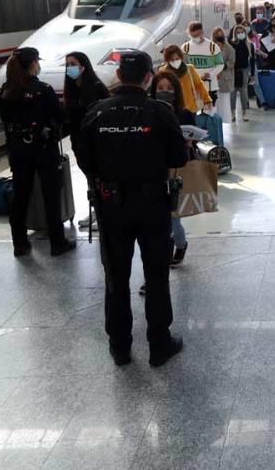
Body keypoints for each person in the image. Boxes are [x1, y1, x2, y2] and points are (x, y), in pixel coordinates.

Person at [78, 50, 186, 367]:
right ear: (149, 77)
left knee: (116, 277)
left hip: (111, 206)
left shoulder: (97, 113)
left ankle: (120, 346)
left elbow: (84, 159)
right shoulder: (160, 112)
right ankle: (159, 344)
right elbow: (178, 159)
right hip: (153, 205)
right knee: (155, 276)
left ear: (118, 77)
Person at [0, 47, 73, 257]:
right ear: (33, 64)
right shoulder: (43, 89)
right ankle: (58, 243)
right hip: (43, 148)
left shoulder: (7, 90)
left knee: (20, 196)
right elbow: (58, 116)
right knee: (51, 195)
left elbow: (4, 118)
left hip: (18, 150)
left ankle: (20, 244)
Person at [149, 71, 196, 267]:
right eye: (160, 88)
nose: (164, 92)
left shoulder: (184, 113)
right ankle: (165, 255)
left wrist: (187, 142)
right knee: (162, 218)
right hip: (153, 170)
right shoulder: (148, 112)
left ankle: (180, 243)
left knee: (173, 217)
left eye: (169, 88)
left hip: (176, 171)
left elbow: (193, 136)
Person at [63, 51, 110, 231]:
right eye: (67, 64)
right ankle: (96, 211)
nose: (70, 68)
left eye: (73, 63)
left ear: (83, 66)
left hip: (96, 141)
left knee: (99, 178)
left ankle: (102, 213)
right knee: (90, 178)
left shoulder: (96, 86)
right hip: (79, 141)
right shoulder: (72, 89)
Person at [160, 45, 213, 115]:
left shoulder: (189, 69)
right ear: (168, 60)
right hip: (172, 110)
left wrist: (207, 100)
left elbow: (199, 85)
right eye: (172, 60)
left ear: (181, 57)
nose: (175, 61)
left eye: (177, 59)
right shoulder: (164, 72)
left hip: (190, 109)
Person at [181, 21, 224, 92]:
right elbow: (182, 66)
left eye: (197, 35)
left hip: (210, 87)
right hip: (193, 87)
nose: (195, 38)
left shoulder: (212, 47)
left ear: (202, 32)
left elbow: (220, 64)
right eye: (193, 36)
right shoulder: (185, 48)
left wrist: (210, 74)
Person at [229, 22, 256, 121]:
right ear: (235, 34)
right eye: (238, 32)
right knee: (232, 92)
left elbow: (252, 60)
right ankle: (232, 113)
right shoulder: (231, 44)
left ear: (245, 33)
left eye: (242, 32)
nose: (240, 34)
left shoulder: (250, 45)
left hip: (244, 71)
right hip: (233, 71)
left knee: (244, 92)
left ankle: (244, 113)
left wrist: (252, 73)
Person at [212, 27, 236, 123]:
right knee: (215, 101)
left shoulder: (229, 48)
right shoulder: (210, 47)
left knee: (225, 101)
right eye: (217, 34)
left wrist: (221, 68)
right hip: (213, 77)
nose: (219, 36)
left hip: (225, 77)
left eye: (220, 34)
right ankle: (215, 120)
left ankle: (225, 120)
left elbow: (231, 62)